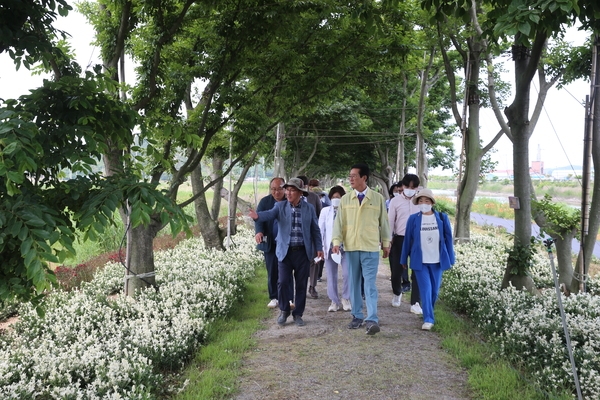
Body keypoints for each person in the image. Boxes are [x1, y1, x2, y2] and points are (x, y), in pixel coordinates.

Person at [249, 178, 324, 327]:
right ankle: (284, 311)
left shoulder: (308, 208)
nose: (288, 193)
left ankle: (298, 314)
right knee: (282, 282)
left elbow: (315, 230)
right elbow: (268, 214)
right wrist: (257, 216)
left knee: (301, 284)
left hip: (302, 252)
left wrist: (319, 248)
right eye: (287, 190)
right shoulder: (280, 206)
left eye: (292, 190)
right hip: (285, 252)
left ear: (300, 193)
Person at [332, 163, 391, 335]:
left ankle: (372, 318)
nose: (350, 179)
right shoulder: (345, 199)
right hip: (351, 247)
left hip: (370, 247)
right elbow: (339, 224)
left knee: (370, 284)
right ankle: (357, 316)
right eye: (349, 176)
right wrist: (336, 242)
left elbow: (384, 223)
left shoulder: (377, 198)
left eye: (354, 176)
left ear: (364, 178)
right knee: (354, 283)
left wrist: (386, 243)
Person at [400, 188, 455, 331]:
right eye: (421, 201)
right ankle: (428, 319)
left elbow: (448, 239)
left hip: (437, 261)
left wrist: (451, 258)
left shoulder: (442, 218)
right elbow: (407, 240)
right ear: (418, 203)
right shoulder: (413, 219)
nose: (423, 203)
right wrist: (403, 259)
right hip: (420, 261)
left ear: (432, 203)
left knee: (434, 291)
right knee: (426, 289)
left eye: (426, 201)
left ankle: (427, 310)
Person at [254, 177, 292, 309]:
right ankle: (274, 297)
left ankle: (289, 297)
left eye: (279, 189)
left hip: (286, 243)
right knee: (272, 270)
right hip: (270, 242)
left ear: (285, 188)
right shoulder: (265, 202)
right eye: (273, 189)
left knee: (287, 271)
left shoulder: (289, 201)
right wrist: (259, 232)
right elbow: (259, 219)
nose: (276, 192)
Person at [388, 174, 422, 313]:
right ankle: (397, 292)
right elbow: (390, 221)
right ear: (402, 186)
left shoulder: (420, 201)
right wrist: (388, 240)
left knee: (417, 271)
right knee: (396, 270)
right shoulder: (395, 202)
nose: (409, 190)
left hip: (416, 240)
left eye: (413, 187)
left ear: (417, 188)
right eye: (407, 187)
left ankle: (415, 302)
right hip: (399, 239)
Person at [318, 185, 351, 312]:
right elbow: (320, 230)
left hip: (345, 247)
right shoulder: (325, 211)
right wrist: (320, 247)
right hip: (330, 248)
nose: (336, 199)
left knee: (347, 274)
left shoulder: (348, 211)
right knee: (331, 275)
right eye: (333, 197)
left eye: (339, 197)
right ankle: (334, 301)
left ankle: (346, 298)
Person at [297, 175, 323, 298]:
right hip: (296, 237)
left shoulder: (313, 197)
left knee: (314, 261)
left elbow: (320, 214)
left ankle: (312, 287)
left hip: (311, 235)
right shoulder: (289, 198)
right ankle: (299, 287)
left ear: (306, 186)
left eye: (302, 185)